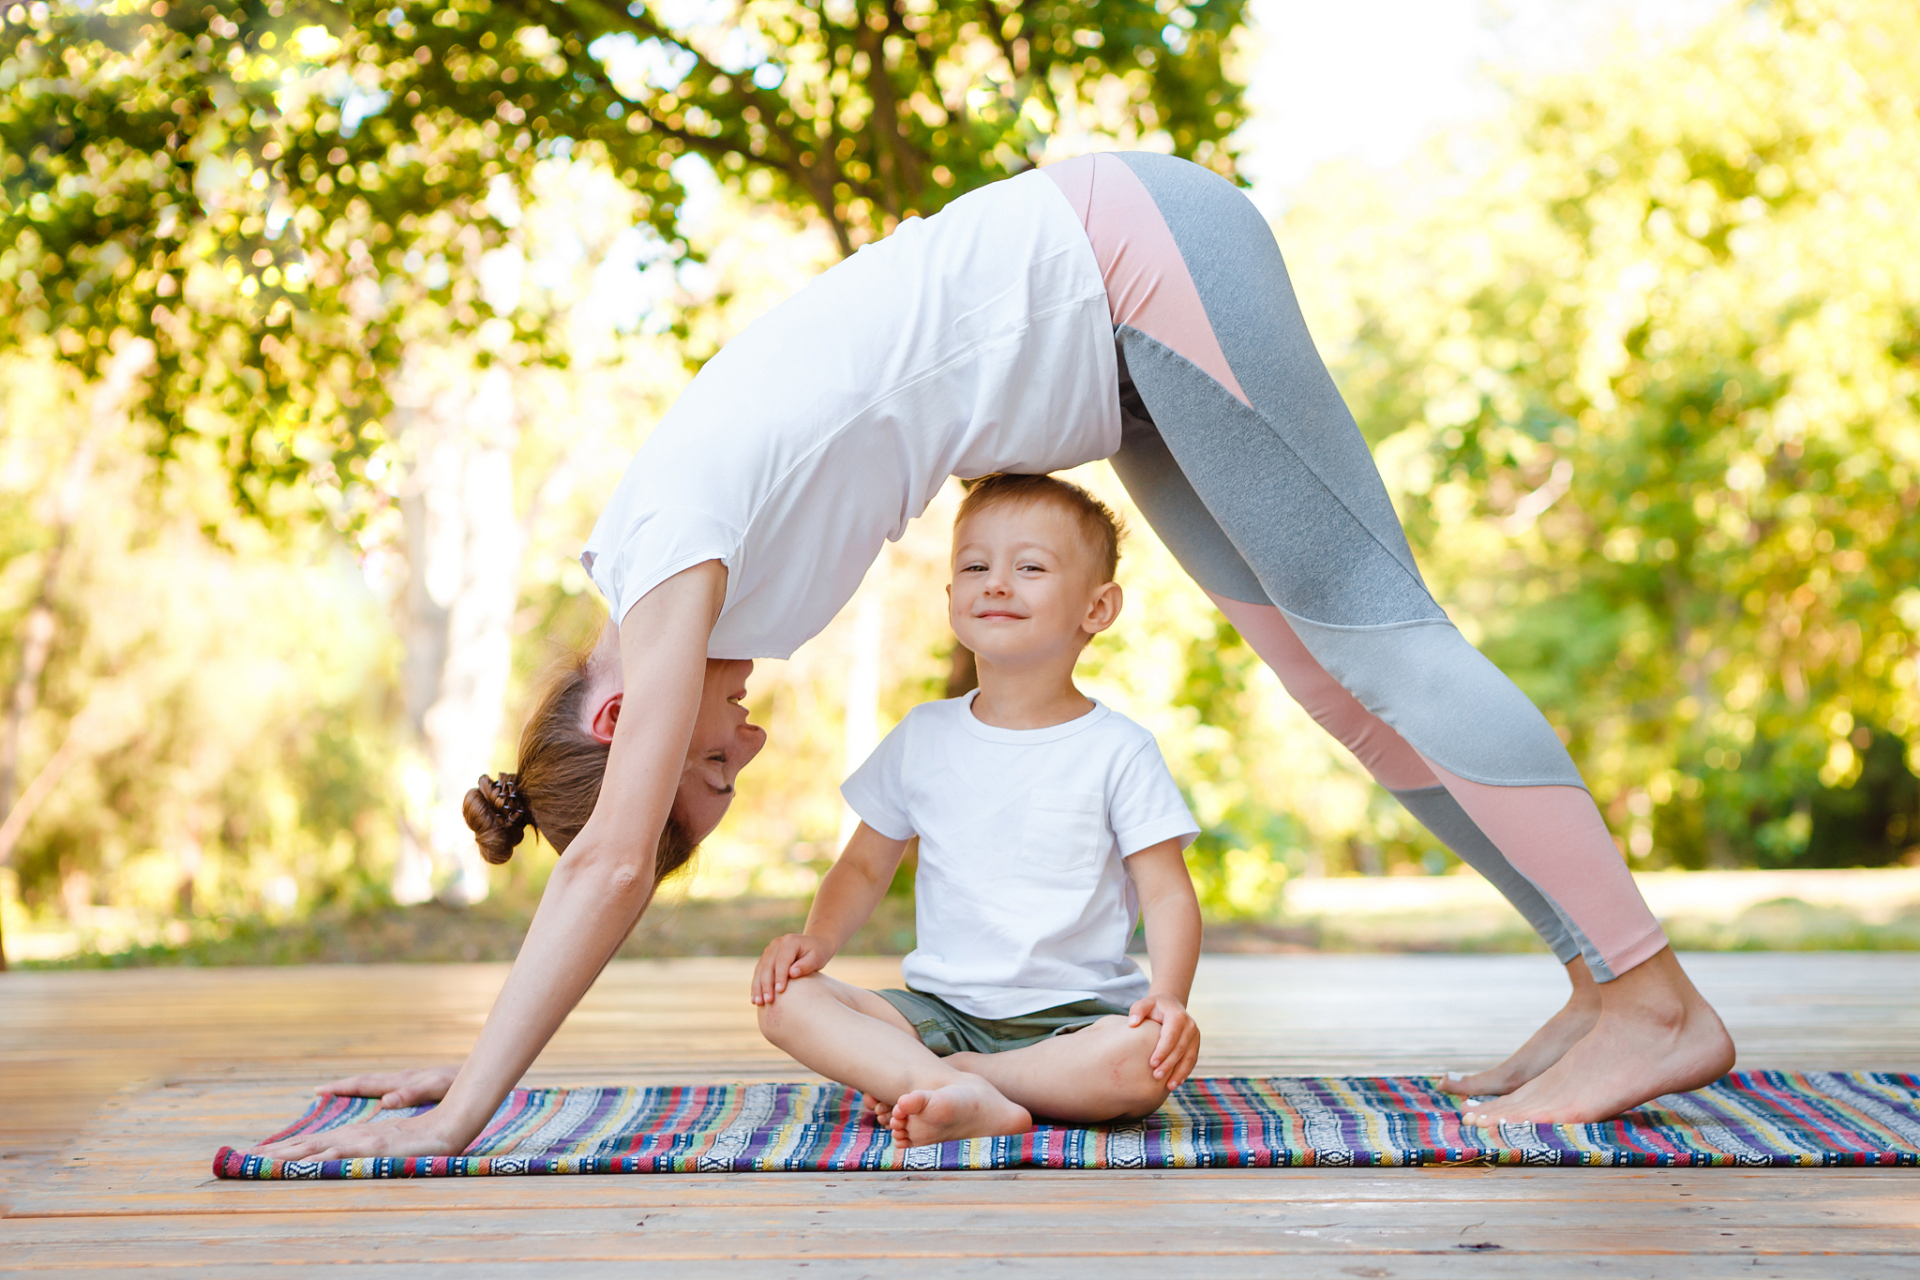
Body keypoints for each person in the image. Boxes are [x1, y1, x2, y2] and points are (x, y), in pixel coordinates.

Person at [252, 150, 1732, 1163]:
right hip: (1112, 367)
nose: (747, 751)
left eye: (703, 760)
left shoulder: (671, 557)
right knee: (1338, 687)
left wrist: (468, 1108)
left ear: (623, 709)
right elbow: (611, 846)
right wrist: (484, 1055)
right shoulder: (668, 575)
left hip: (1137, 258)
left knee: (1384, 642)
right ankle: (1604, 986)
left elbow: (609, 865)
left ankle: (1656, 1001)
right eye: (728, 776)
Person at [751, 474, 1203, 1146]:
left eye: (1029, 567)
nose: (995, 583)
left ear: (1098, 608)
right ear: (952, 599)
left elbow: (1167, 895)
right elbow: (863, 867)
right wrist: (818, 942)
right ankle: (952, 1078)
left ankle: (954, 1080)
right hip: (938, 1013)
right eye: (974, 566)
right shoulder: (923, 735)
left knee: (1140, 1065)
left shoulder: (1119, 750)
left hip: (1073, 1024)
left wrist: (1167, 997)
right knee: (785, 1000)